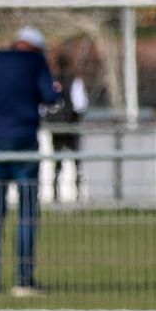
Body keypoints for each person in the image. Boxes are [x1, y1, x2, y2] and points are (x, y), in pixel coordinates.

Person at [0, 26, 58, 296]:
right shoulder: (35, 62)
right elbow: (50, 97)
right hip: (24, 143)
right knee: (27, 213)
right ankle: (23, 281)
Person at [45, 48, 88, 203]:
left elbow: (44, 107)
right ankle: (78, 195)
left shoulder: (51, 81)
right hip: (71, 126)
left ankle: (55, 195)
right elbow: (80, 105)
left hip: (56, 127)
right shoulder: (74, 81)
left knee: (57, 162)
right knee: (77, 162)